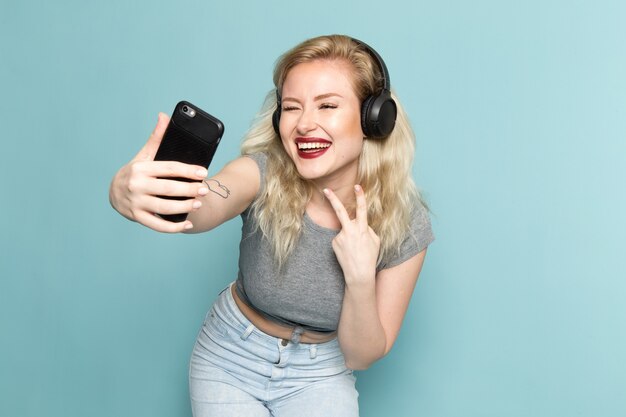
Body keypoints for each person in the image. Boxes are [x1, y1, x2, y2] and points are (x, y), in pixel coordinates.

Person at [109, 34, 434, 417]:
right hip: (229, 357)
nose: (304, 124)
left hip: (320, 373)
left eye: (327, 105)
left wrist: (361, 278)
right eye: (292, 108)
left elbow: (361, 356)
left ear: (374, 119)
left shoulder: (407, 222)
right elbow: (206, 203)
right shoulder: (261, 173)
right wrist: (132, 193)